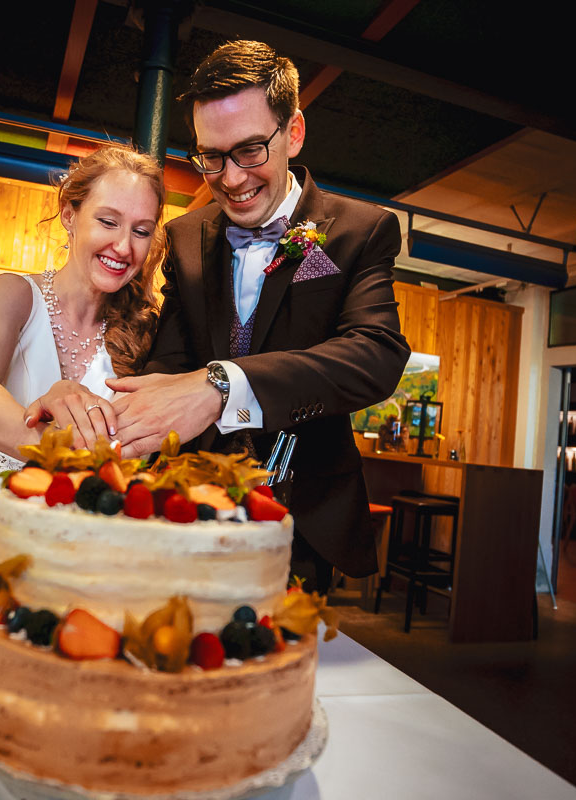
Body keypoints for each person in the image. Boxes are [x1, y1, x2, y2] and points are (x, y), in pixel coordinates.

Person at [103, 41, 410, 591]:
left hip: (301, 509)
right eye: (210, 156)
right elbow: (173, 361)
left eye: (249, 151)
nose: (230, 178)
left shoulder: (360, 231)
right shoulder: (186, 237)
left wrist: (224, 386)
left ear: (293, 132)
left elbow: (376, 353)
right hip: (192, 504)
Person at [0, 145, 165, 575]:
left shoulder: (145, 331)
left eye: (142, 231)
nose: (123, 246)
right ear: (70, 215)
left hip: (84, 550)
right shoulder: (15, 294)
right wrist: (61, 445)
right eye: (108, 221)